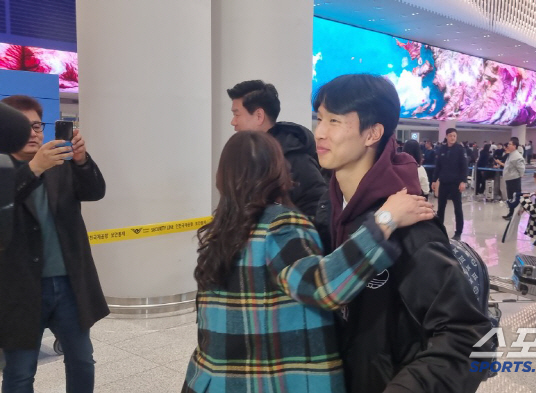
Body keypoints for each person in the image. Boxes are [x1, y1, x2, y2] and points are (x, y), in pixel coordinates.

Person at [182, 131, 434, 392]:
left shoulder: (219, 232)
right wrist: (385, 220)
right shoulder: (278, 226)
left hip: (209, 381)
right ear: (277, 170)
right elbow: (323, 286)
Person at [312, 74, 492, 393]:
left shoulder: (410, 224)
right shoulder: (328, 210)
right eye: (319, 118)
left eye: (335, 121)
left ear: (372, 133)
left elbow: (469, 336)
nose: (320, 132)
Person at [0, 95, 107, 392]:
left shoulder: (60, 166)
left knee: (81, 360)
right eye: (22, 127)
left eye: (37, 125)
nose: (33, 133)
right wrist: (33, 169)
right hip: (19, 288)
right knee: (20, 371)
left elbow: (95, 192)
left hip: (69, 284)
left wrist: (81, 161)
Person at [228, 80, 327, 218]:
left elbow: (318, 210)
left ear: (259, 116)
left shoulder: (294, 158)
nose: (233, 122)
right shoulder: (250, 156)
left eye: (237, 114)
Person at [432, 128, 469, 240]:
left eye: (454, 136)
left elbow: (464, 167)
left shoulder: (460, 149)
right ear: (447, 136)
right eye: (451, 136)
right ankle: (439, 230)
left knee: (457, 208)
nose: (452, 138)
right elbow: (438, 166)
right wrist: (434, 180)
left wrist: (463, 181)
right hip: (444, 182)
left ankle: (458, 232)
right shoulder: (442, 149)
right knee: (441, 208)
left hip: (456, 183)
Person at [496, 137, 525, 219]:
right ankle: (510, 213)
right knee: (510, 197)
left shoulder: (517, 156)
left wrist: (518, 176)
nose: (508, 145)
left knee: (515, 197)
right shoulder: (511, 155)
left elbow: (521, 169)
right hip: (509, 179)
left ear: (515, 146)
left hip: (514, 180)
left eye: (510, 144)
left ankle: (514, 214)